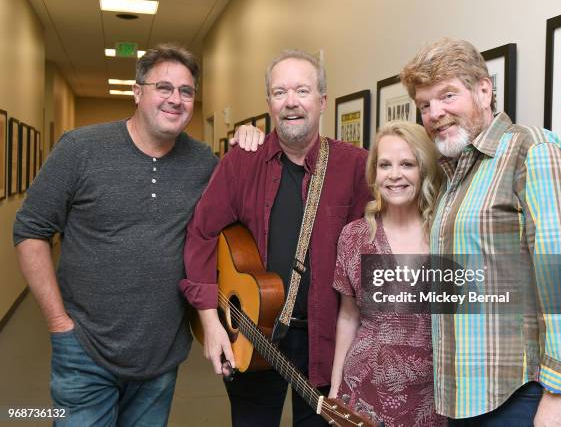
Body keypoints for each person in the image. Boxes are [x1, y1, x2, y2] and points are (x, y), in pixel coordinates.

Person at [13, 44, 261, 426]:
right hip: (84, 351)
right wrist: (58, 323)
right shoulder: (80, 150)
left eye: (186, 91)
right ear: (137, 91)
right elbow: (31, 230)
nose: (175, 99)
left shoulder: (202, 164)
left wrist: (250, 146)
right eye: (164, 87)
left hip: (161, 358)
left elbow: (240, 220)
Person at [399, 38, 561, 426]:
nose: (435, 113)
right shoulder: (456, 171)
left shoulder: (533, 151)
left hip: (520, 397)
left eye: (447, 96)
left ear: (484, 89)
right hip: (463, 397)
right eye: (425, 105)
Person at [181, 49, 371, 426]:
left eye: (302, 90)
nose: (291, 102)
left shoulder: (354, 165)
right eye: (279, 92)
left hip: (324, 342)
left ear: (322, 100)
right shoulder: (241, 161)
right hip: (252, 334)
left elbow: (371, 250)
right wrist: (210, 320)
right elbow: (201, 234)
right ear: (268, 102)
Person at [329, 120, 446, 427]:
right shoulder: (354, 236)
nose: (395, 175)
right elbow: (348, 317)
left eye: (407, 164)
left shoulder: (447, 235)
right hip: (362, 395)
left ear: (425, 170)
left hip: (431, 402)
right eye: (385, 165)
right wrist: (335, 389)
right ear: (374, 173)